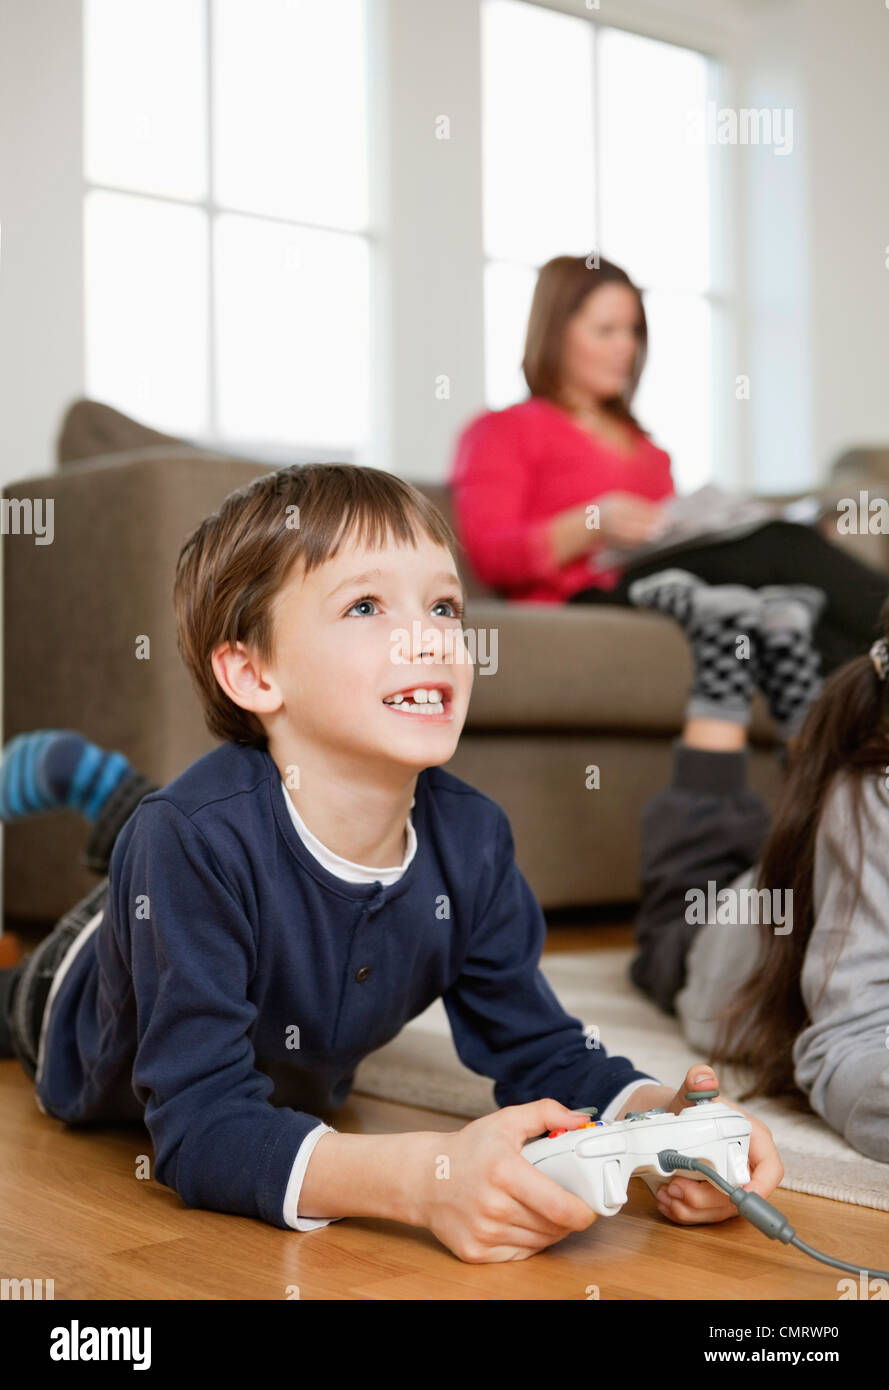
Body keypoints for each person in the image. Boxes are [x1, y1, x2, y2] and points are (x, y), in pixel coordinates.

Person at [0, 462, 782, 1259]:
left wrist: (662, 1118)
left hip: (205, 857)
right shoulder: (190, 842)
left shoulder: (472, 840)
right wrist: (424, 1178)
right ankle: (102, 792)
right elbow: (199, 1126)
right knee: (153, 849)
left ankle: (116, 803)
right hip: (78, 983)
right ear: (252, 672)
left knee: (182, 830)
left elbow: (540, 1048)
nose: (428, 635)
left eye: (443, 605)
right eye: (366, 605)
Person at [449, 253, 889, 674]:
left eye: (633, 330)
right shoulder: (502, 429)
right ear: (555, 332)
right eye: (606, 330)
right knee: (778, 544)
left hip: (670, 578)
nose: (626, 346)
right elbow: (489, 554)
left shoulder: (648, 450)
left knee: (800, 612)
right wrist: (592, 523)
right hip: (592, 592)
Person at [627, 568, 889, 1164]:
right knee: (675, 914)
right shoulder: (871, 791)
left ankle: (781, 646)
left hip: (797, 885)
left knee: (814, 810)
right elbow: (849, 1045)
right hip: (723, 940)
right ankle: (723, 647)